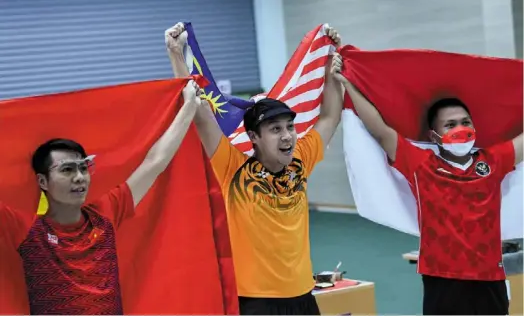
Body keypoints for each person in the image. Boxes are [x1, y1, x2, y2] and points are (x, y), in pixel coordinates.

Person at [165, 23, 344, 315]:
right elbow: (197, 110)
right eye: (275, 129)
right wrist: (176, 54)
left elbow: (330, 117)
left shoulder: (300, 161)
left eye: (290, 127)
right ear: (255, 138)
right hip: (255, 301)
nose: (287, 135)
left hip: (303, 296)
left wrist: (330, 69)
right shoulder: (231, 168)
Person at [332, 56, 523, 315]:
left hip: (489, 277)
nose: (461, 129)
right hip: (443, 278)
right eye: (451, 124)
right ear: (434, 136)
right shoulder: (421, 164)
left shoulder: (493, 161)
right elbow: (380, 130)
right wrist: (348, 84)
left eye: (466, 122)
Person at [0, 80, 203, 315]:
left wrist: (188, 106)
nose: (79, 177)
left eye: (83, 168)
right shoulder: (23, 228)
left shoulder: (106, 212)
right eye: (67, 170)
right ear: (43, 181)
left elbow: (155, 161)